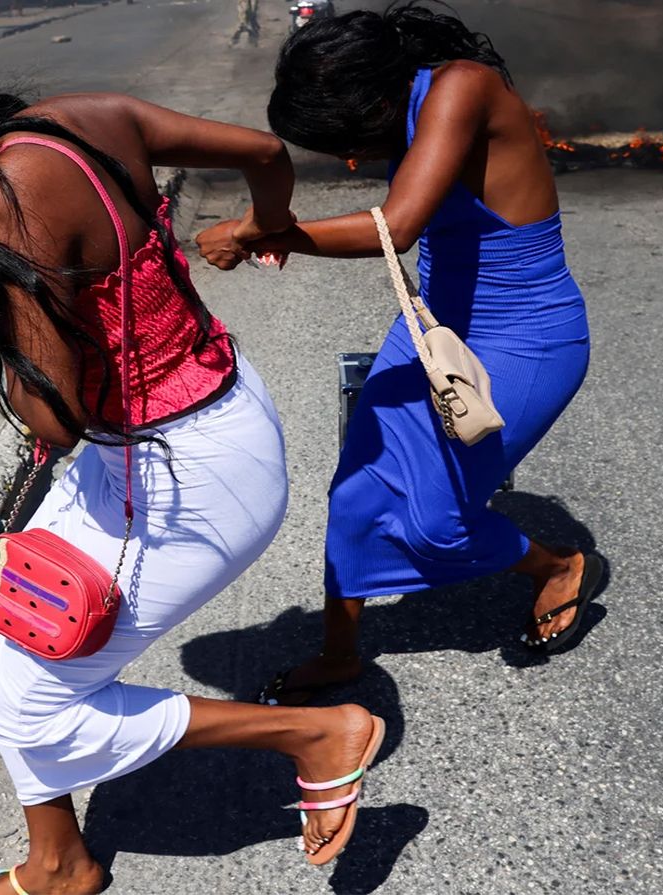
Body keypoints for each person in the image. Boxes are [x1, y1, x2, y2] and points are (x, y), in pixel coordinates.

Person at [0, 26, 386, 892]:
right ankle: (59, 860)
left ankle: (314, 732)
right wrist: (265, 224)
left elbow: (55, 415)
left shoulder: (10, 205)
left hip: (185, 475)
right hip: (195, 428)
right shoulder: (75, 118)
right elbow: (264, 149)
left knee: (25, 695)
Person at [197, 3, 600, 705]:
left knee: (433, 523)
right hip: (433, 328)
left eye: (348, 140)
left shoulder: (461, 86)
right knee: (355, 494)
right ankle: (340, 653)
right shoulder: (408, 103)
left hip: (527, 335)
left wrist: (266, 232)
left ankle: (558, 567)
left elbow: (400, 225)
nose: (352, 157)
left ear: (374, 97)